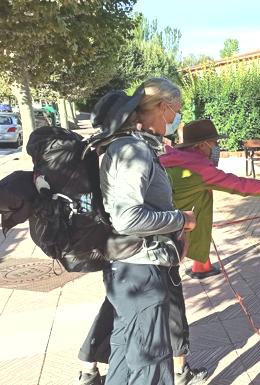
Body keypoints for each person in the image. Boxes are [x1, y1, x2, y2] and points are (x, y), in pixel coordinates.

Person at [76, 78, 196, 385]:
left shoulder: (123, 146)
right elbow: (129, 217)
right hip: (141, 272)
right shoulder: (134, 150)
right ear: (159, 107)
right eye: (175, 110)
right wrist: (180, 219)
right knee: (150, 361)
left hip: (127, 269)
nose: (176, 118)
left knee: (126, 352)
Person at [160, 119, 260, 267]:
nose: (217, 147)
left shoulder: (172, 158)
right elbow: (239, 185)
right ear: (201, 144)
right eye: (214, 143)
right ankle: (200, 268)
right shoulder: (200, 168)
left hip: (160, 223)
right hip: (172, 234)